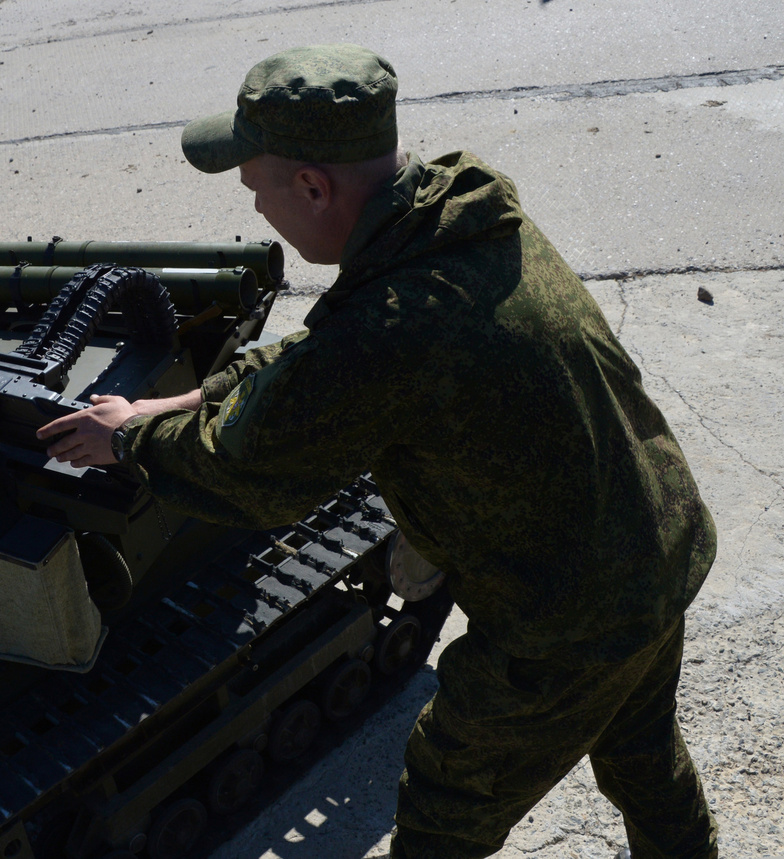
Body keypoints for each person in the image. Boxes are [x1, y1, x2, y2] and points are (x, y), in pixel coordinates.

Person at [36, 44, 718, 859]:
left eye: (257, 190)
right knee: (644, 757)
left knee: (445, 806)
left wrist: (130, 440)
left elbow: (252, 471)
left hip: (567, 619)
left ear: (313, 187)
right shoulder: (454, 215)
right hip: (654, 541)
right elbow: (327, 350)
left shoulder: (392, 327)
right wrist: (189, 395)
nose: (258, 211)